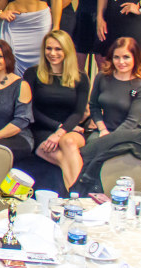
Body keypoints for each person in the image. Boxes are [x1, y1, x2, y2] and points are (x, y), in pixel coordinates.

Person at [24, 30, 89, 190]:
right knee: (64, 160)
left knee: (68, 142)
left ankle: (75, 197)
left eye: (58, 49)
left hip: (69, 129)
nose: (52, 53)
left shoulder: (81, 78)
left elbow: (78, 112)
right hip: (41, 130)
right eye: (49, 48)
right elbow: (31, 109)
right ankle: (77, 195)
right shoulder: (32, 74)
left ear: (67, 50)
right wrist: (57, 128)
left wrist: (61, 132)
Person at [89, 37, 141, 137]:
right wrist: (102, 129)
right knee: (91, 146)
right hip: (104, 131)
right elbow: (94, 106)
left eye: (126, 57)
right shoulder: (102, 77)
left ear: (135, 58)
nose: (121, 62)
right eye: (116, 57)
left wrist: (111, 138)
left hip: (131, 134)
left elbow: (132, 121)